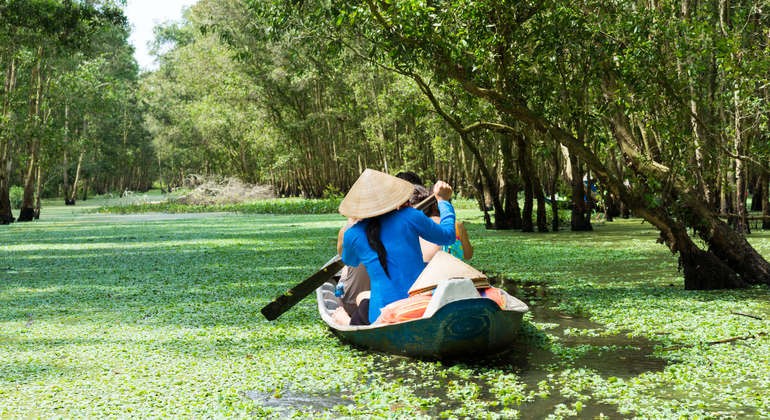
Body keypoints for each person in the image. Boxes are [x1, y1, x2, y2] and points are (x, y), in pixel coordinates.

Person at [338, 169, 456, 324]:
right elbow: (448, 236)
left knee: (364, 300)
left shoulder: (352, 234)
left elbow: (350, 261)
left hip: (380, 315)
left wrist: (353, 226)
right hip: (420, 307)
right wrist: (443, 201)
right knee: (365, 298)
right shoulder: (410, 216)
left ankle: (345, 321)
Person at [412, 184, 474, 262]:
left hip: (426, 272)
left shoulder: (417, 225)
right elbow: (468, 255)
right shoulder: (457, 226)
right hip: (455, 271)